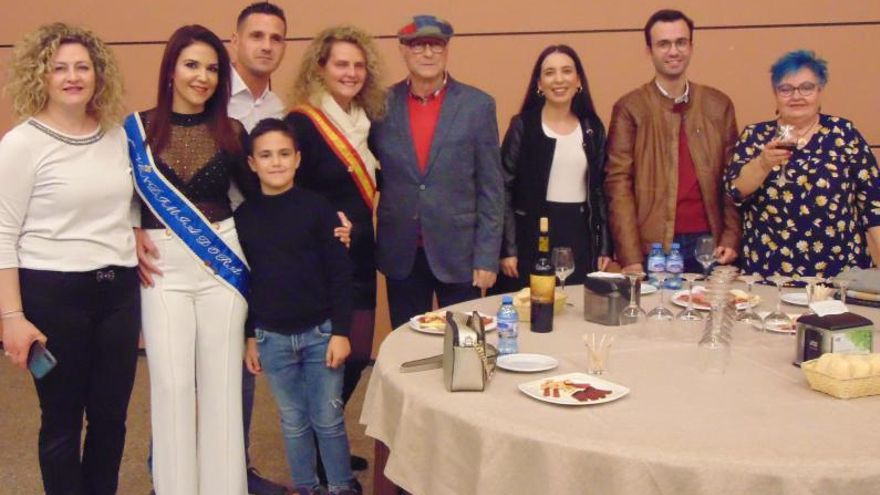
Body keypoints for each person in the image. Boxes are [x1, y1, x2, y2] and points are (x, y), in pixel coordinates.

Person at [0, 23, 140, 494]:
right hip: (53, 297)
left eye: (82, 66)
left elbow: (130, 203)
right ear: (42, 75)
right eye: (60, 68)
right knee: (61, 421)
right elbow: (2, 234)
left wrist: (135, 231)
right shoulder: (21, 145)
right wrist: (12, 316)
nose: (72, 77)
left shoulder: (117, 137)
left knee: (111, 419)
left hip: (119, 293)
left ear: (98, 74)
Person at [130, 25, 258, 495]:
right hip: (162, 268)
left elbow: (261, 202)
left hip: (221, 265)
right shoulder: (136, 130)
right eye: (191, 65)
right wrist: (129, 227)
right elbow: (112, 197)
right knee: (171, 387)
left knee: (223, 389)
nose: (201, 76)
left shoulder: (233, 131)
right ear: (170, 70)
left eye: (211, 68)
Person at [238, 118, 360, 495]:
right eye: (266, 155)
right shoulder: (243, 219)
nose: (276, 162)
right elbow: (244, 284)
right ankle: (306, 487)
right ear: (252, 163)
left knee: (327, 418)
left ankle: (341, 486)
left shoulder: (318, 209)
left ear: (298, 159)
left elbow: (341, 275)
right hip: (271, 337)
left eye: (284, 154)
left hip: (321, 334)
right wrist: (250, 337)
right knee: (292, 421)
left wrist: (341, 331)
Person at [372, 15, 504, 328]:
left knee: (464, 347)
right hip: (402, 252)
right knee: (407, 345)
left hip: (460, 255)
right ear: (403, 50)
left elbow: (491, 188)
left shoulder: (477, 105)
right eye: (418, 45)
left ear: (447, 50)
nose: (428, 53)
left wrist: (487, 257)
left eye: (436, 45)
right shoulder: (380, 105)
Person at [286, 22, 384, 419]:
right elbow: (288, 196)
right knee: (326, 358)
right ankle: (321, 454)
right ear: (320, 68)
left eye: (359, 65)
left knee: (358, 353)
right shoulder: (302, 124)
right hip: (323, 260)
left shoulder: (369, 122)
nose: (351, 73)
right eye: (341, 64)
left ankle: (323, 435)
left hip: (361, 256)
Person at [604, 9, 740, 274]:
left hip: (711, 244)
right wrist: (630, 256)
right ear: (649, 50)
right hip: (654, 247)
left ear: (691, 46)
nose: (673, 51)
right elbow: (618, 184)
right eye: (663, 44)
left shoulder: (718, 104)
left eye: (680, 42)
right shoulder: (630, 107)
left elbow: (733, 178)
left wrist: (731, 236)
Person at [724, 50, 880, 279]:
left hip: (839, 276)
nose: (796, 96)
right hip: (769, 275)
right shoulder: (756, 136)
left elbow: (874, 205)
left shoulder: (843, 134)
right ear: (775, 94)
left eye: (806, 87)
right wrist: (762, 164)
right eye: (786, 89)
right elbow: (735, 191)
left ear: (820, 90)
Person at [496, 44, 611, 293]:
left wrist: (604, 246)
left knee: (575, 314)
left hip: (579, 237)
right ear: (539, 83)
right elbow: (502, 188)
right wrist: (508, 249)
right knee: (530, 315)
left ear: (578, 79)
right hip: (531, 237)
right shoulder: (523, 126)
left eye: (567, 71)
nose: (559, 79)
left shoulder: (592, 128)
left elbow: (601, 189)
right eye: (549, 73)